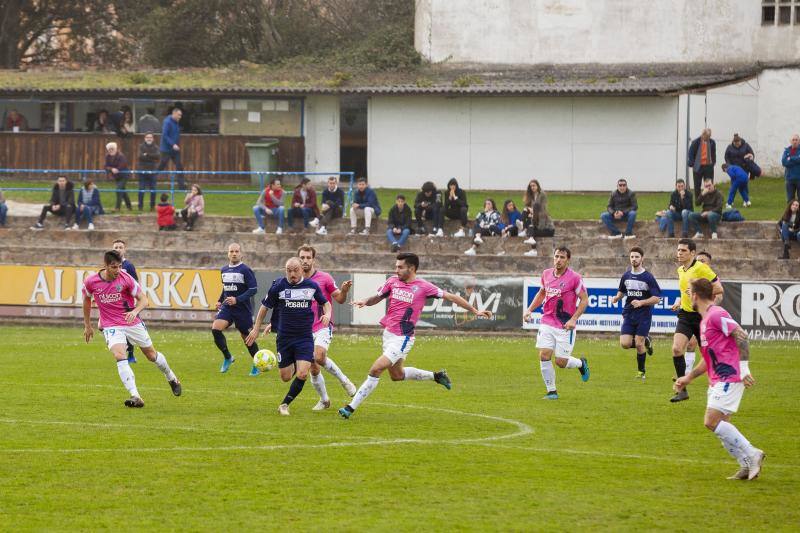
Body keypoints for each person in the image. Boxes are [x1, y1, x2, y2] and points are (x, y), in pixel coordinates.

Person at [339, 253, 491, 419]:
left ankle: (350, 408)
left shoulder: (424, 287)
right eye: (396, 266)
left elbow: (451, 297)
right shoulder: (392, 281)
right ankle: (436, 376)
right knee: (397, 375)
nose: (396, 270)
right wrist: (364, 301)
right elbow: (378, 297)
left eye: (400, 267)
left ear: (411, 268)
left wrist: (475, 311)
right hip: (388, 334)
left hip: (403, 338)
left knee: (376, 369)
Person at [674, 278, 765, 481]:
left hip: (729, 376)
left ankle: (752, 453)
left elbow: (740, 335)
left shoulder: (716, 314)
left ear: (696, 295)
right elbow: (708, 360)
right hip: (717, 378)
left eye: (689, 291)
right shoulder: (705, 320)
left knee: (711, 421)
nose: (688, 295)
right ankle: (745, 464)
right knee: (722, 426)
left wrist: (743, 368)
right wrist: (688, 378)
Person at [82, 250, 182, 408]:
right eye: (114, 267)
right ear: (106, 266)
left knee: (151, 355)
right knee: (119, 355)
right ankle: (135, 396)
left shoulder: (126, 278)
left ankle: (171, 377)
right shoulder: (91, 281)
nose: (117, 270)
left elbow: (144, 299)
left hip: (132, 322)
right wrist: (88, 325)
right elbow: (86, 300)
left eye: (120, 266)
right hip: (111, 325)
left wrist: (134, 311)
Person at [246, 258, 332, 416]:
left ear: (301, 270)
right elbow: (264, 308)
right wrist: (256, 328)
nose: (292, 274)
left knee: (302, 374)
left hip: (305, 337)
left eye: (295, 270)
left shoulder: (311, 286)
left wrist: (328, 314)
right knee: (285, 377)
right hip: (284, 338)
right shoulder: (278, 286)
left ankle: (284, 404)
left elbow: (325, 303)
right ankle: (294, 360)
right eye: (289, 271)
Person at [523, 247, 590, 399]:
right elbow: (541, 293)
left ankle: (581, 363)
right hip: (547, 321)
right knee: (544, 354)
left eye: (562, 257)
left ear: (568, 260)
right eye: (556, 256)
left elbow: (584, 300)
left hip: (565, 325)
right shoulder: (546, 274)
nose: (558, 260)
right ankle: (551, 391)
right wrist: (529, 310)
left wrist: (573, 319)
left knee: (561, 361)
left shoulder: (575, 278)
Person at [297, 245, 357, 409]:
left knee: (319, 355)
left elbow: (339, 299)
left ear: (313, 259)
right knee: (314, 368)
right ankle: (324, 400)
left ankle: (344, 381)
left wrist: (344, 291)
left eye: (308, 258)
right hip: (303, 329)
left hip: (322, 324)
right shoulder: (295, 280)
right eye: (302, 257)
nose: (305, 261)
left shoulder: (325, 278)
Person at [670, 238, 724, 403]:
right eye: (678, 250)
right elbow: (684, 292)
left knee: (709, 356)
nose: (679, 253)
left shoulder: (702, 268)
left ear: (692, 253)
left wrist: (698, 290)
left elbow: (719, 288)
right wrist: (679, 301)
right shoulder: (680, 270)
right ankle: (682, 390)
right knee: (677, 349)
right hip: (685, 315)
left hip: (701, 316)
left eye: (683, 250)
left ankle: (720, 386)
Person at [610, 247, 661, 380]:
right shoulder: (626, 275)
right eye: (632, 257)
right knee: (625, 344)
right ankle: (647, 341)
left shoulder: (648, 277)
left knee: (638, 343)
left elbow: (657, 298)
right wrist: (616, 298)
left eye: (637, 257)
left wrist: (642, 302)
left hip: (643, 315)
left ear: (642, 258)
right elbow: (622, 291)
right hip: (629, 314)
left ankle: (641, 372)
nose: (634, 259)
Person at [213, 243, 261, 375]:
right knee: (216, 329)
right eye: (231, 251)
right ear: (228, 254)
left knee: (247, 338)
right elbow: (226, 288)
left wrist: (237, 299)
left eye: (236, 251)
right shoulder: (223, 270)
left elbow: (253, 289)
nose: (234, 253)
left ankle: (257, 364)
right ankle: (228, 357)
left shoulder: (245, 270)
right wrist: (219, 300)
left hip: (243, 309)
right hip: (228, 307)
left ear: (241, 253)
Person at [111, 239, 139, 364]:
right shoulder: (109, 265)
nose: (118, 249)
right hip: (113, 301)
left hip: (126, 302)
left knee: (128, 326)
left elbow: (135, 283)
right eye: (116, 247)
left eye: (120, 247)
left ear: (124, 250)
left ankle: (131, 353)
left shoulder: (128, 266)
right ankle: (120, 350)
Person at [521, 179, 555, 256]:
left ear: (537, 186)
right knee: (525, 210)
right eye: (531, 186)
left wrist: (533, 216)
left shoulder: (543, 213)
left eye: (534, 185)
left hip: (548, 230)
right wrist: (531, 213)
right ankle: (524, 227)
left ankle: (533, 249)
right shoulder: (531, 196)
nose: (532, 187)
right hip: (537, 218)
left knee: (531, 230)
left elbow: (541, 227)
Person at [157, 107, 185, 190]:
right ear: (174, 114)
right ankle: (151, 179)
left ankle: (182, 187)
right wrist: (173, 144)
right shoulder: (167, 122)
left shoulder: (176, 122)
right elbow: (165, 135)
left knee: (179, 166)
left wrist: (176, 144)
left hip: (175, 149)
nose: (180, 117)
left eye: (181, 115)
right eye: (179, 115)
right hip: (166, 149)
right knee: (162, 166)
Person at [687, 128, 716, 197]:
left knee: (709, 183)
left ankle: (710, 199)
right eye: (708, 136)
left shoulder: (712, 142)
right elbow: (690, 153)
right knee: (697, 184)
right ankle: (698, 200)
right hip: (698, 166)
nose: (709, 138)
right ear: (703, 135)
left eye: (710, 136)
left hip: (708, 166)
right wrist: (693, 163)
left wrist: (713, 162)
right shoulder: (695, 142)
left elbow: (713, 153)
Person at [104, 142, 131, 211]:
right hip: (116, 176)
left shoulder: (121, 156)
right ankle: (129, 207)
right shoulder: (107, 156)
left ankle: (117, 207)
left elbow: (123, 164)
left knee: (118, 190)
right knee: (123, 191)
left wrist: (117, 169)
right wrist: (111, 169)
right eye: (109, 149)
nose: (111, 150)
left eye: (112, 149)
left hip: (124, 175)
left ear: (115, 149)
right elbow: (106, 166)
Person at [137, 132, 160, 211]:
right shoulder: (141, 146)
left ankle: (152, 206)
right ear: (144, 138)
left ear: (153, 139)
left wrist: (147, 155)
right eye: (147, 137)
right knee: (141, 189)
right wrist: (151, 157)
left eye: (150, 137)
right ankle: (140, 206)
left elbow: (157, 156)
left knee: (153, 190)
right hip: (142, 171)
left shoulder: (156, 147)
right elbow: (140, 157)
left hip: (152, 171)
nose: (149, 139)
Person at [781, 133, 800, 202]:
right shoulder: (787, 151)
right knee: (790, 200)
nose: (795, 141)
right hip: (789, 179)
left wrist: (790, 158)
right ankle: (790, 212)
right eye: (793, 140)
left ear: (799, 141)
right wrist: (796, 159)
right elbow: (784, 162)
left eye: (796, 140)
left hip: (799, 178)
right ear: (791, 141)